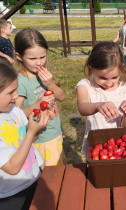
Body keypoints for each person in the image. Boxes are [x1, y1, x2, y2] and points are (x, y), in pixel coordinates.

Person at [0, 61, 49, 210]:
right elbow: (12, 168)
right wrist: (31, 132)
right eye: (10, 92)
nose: (16, 95)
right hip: (12, 195)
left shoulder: (13, 110)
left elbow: (28, 142)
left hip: (33, 179)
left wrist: (39, 126)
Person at [14, 28, 66, 168]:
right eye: (32, 58)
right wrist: (36, 105)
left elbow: (61, 97)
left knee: (59, 170)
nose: (39, 63)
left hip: (54, 134)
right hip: (39, 139)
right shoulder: (20, 82)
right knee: (51, 178)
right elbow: (15, 115)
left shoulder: (43, 75)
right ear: (19, 56)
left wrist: (50, 84)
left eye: (42, 57)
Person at [76, 42, 126, 154]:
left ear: (121, 69)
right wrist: (98, 105)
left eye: (114, 77)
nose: (108, 83)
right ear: (91, 68)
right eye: (102, 78)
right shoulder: (85, 86)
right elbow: (82, 108)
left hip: (119, 147)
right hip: (96, 145)